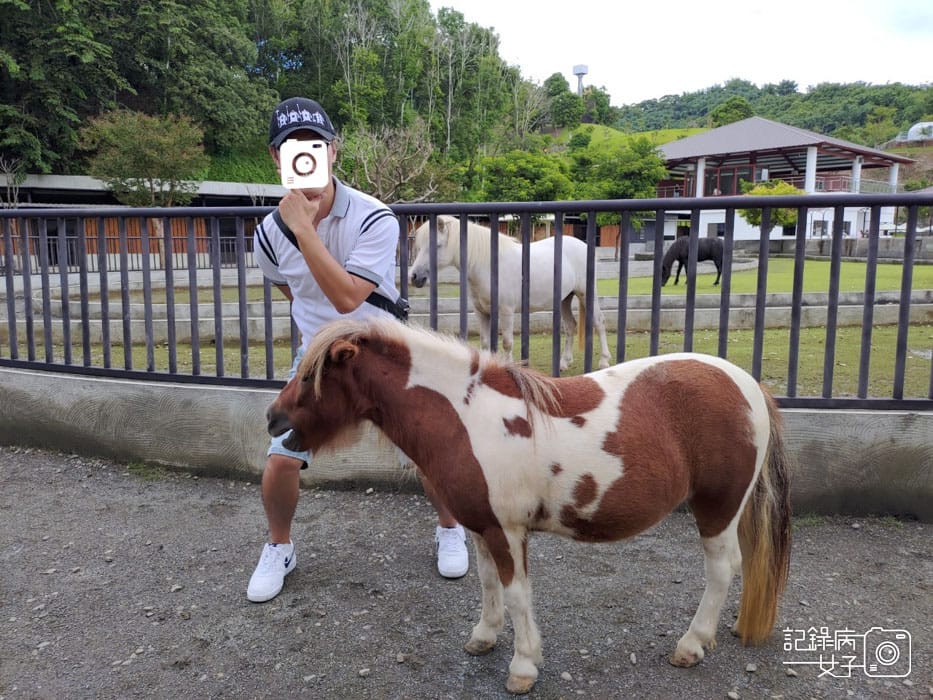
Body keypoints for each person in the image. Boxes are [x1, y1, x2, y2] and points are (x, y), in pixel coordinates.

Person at [247, 97, 469, 603]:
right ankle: (279, 547)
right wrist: (316, 344)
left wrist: (303, 228)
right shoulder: (267, 234)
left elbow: (347, 298)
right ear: (276, 158)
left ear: (333, 151)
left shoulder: (374, 217)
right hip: (318, 362)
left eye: (315, 146)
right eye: (291, 148)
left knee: (429, 450)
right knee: (281, 457)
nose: (305, 156)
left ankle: (450, 527)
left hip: (385, 353)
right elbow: (293, 291)